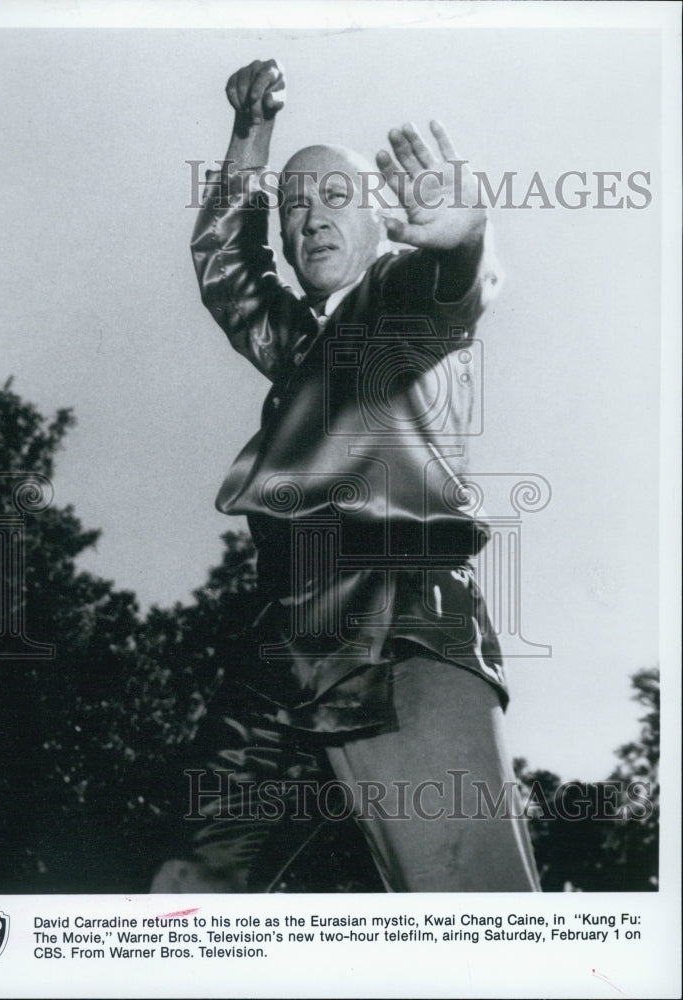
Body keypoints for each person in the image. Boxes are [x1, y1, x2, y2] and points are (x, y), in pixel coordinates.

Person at [151, 59, 540, 893]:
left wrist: (465, 238)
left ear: (383, 222)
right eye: (294, 208)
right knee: (184, 898)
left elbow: (453, 292)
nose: (309, 220)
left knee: (467, 900)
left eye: (333, 199)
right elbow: (227, 269)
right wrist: (250, 134)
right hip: (278, 649)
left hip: (401, 631)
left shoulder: (399, 301)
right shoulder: (299, 345)